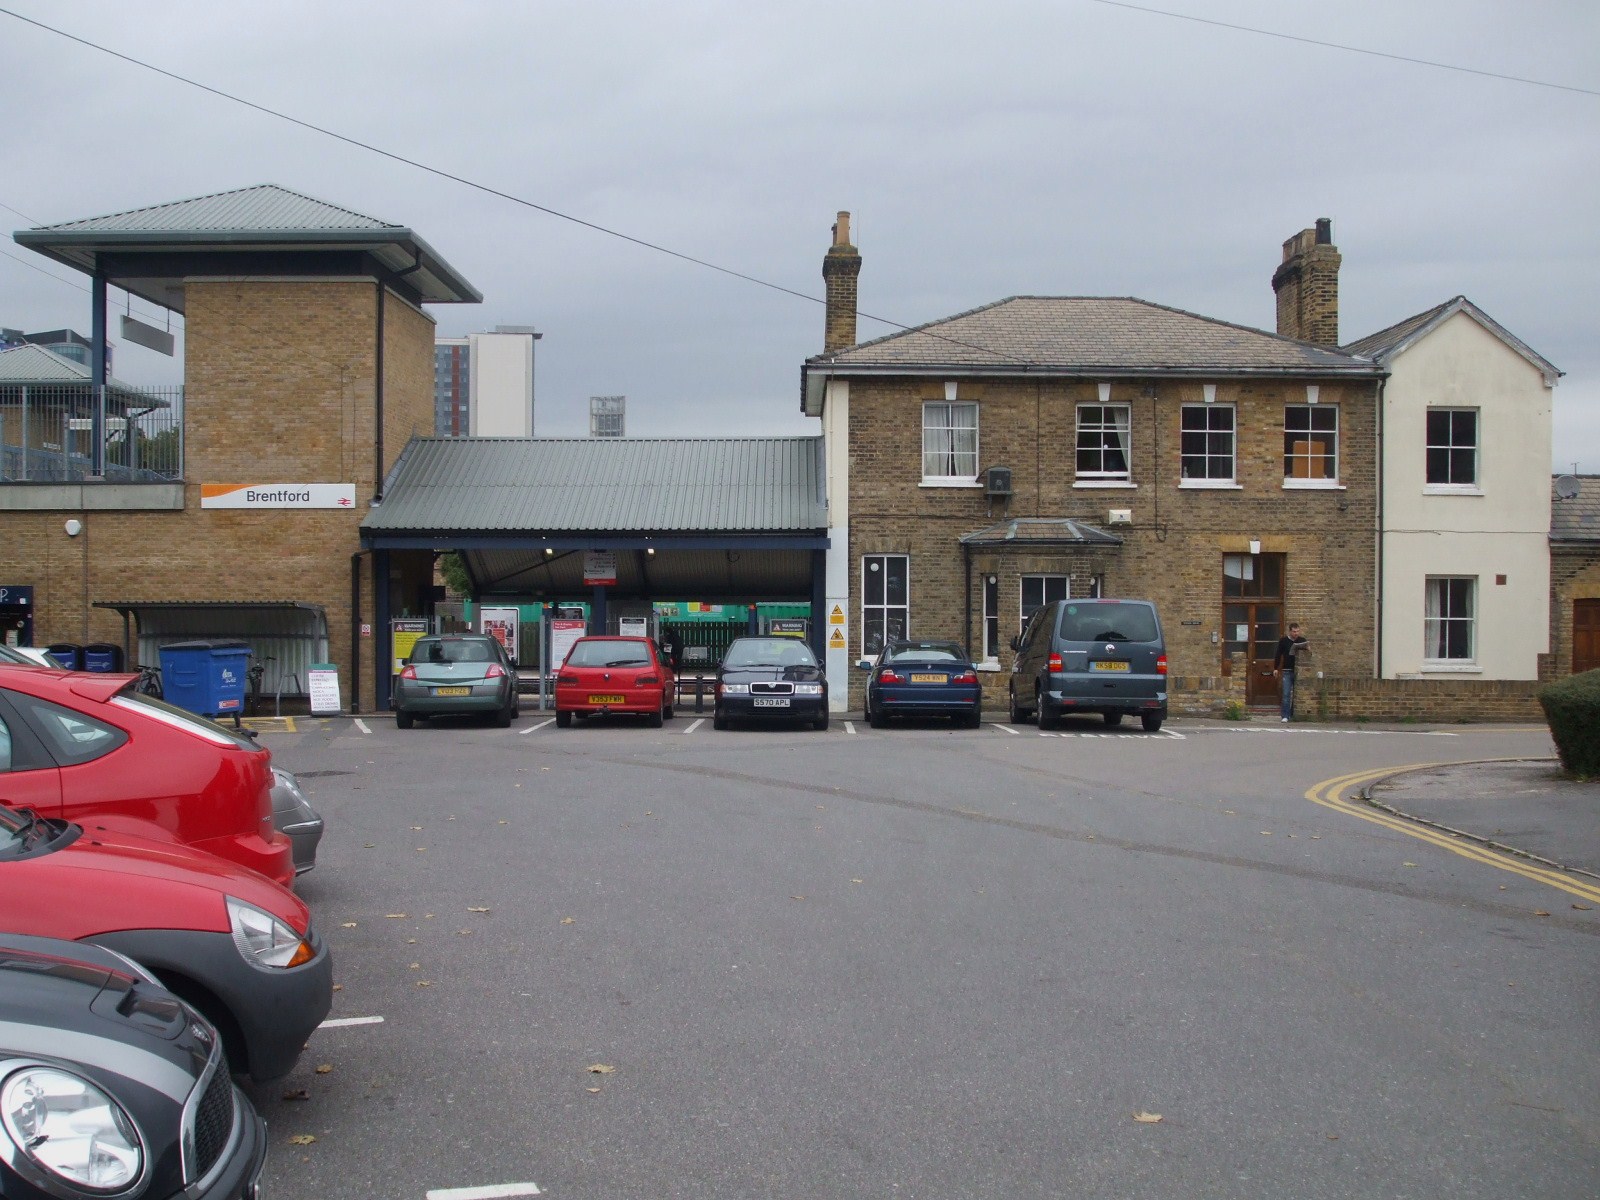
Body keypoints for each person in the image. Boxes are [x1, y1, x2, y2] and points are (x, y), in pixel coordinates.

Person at [1273, 623, 1309, 722]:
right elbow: (1278, 654)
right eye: (1294, 631)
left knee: (1297, 694)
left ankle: (1293, 714)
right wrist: (1276, 668)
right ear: (1290, 631)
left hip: (1299, 671)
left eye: (1297, 631)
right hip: (1287, 670)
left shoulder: (1302, 640)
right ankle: (1285, 715)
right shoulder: (1284, 641)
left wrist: (1307, 649)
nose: (1296, 633)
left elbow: (1308, 655)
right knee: (1286, 694)